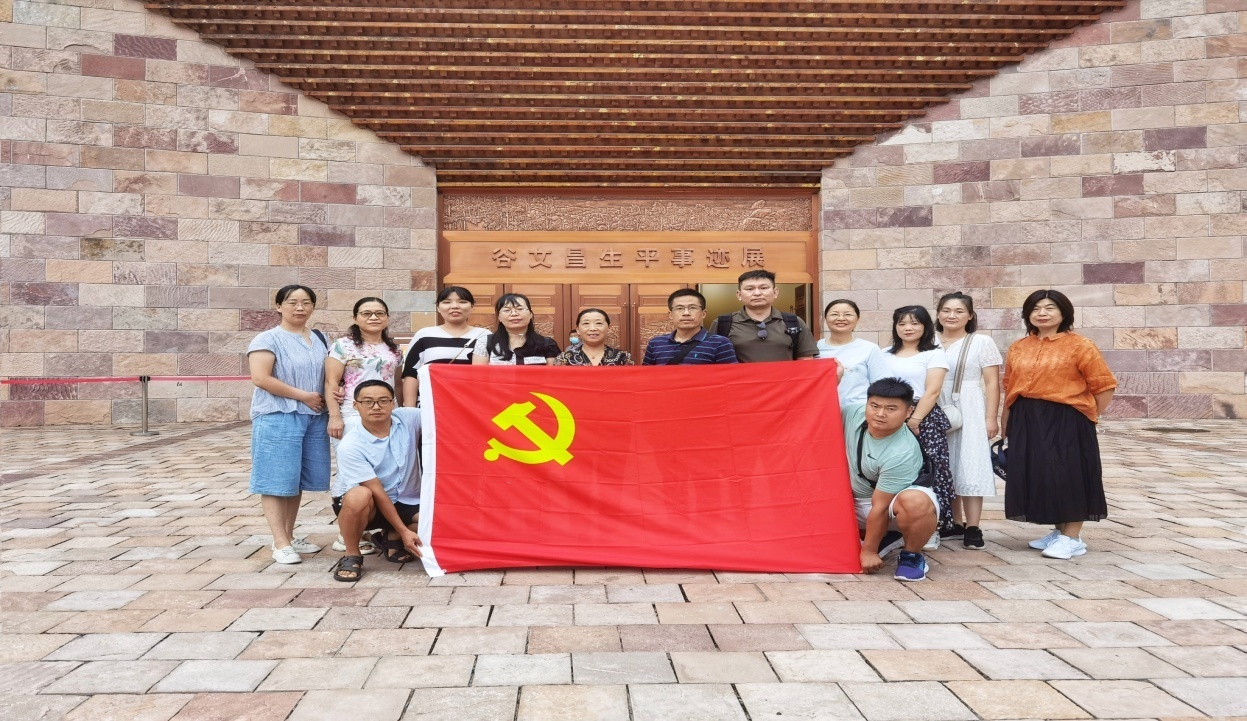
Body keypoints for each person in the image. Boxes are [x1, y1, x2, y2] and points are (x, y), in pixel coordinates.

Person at [1002, 289, 1116, 560]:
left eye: (1049, 308)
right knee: (1042, 474)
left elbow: (1104, 386)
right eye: (1035, 309)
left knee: (1069, 474)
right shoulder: (1019, 346)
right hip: (1026, 417)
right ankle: (1059, 531)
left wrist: (1086, 416)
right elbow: (1010, 387)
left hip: (1067, 418)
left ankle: (1072, 537)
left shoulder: (1080, 345)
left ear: (1064, 312)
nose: (1042, 313)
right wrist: (1006, 424)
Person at [247, 285, 330, 565]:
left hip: (314, 417)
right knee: (275, 479)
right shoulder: (268, 338)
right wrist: (303, 396)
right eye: (292, 302)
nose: (300, 307)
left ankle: (289, 536)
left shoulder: (320, 338)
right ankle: (280, 542)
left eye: (306, 302)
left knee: (296, 479)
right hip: (278, 415)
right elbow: (261, 378)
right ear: (279, 306)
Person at [843, 378, 939, 582]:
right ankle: (883, 539)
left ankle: (911, 555)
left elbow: (880, 506)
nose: (880, 414)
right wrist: (836, 378)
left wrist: (869, 551)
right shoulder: (852, 413)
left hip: (887, 508)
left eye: (891, 409)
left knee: (915, 502)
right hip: (846, 503)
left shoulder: (903, 451)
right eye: (874, 406)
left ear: (908, 412)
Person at [876, 305, 955, 547]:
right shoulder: (884, 353)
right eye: (902, 323)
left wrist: (914, 420)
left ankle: (931, 528)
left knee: (930, 469)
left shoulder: (933, 354)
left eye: (914, 323)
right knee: (893, 467)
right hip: (889, 415)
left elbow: (932, 391)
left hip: (922, 417)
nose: (907, 328)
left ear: (925, 326)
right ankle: (893, 526)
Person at [329, 380, 423, 582]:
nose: (376, 407)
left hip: (407, 499)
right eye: (368, 402)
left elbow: (444, 414)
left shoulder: (408, 417)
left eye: (383, 401)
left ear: (393, 403)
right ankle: (352, 554)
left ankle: (391, 537)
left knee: (447, 524)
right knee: (359, 495)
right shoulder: (351, 445)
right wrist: (405, 531)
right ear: (356, 405)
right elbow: (378, 493)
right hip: (371, 505)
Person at [936, 292, 1003, 550]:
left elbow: (992, 383)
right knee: (946, 462)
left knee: (970, 462)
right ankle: (954, 522)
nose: (951, 316)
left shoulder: (981, 342)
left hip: (970, 404)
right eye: (946, 310)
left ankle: (973, 527)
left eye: (959, 311)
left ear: (970, 315)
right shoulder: (929, 340)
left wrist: (990, 417)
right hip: (935, 403)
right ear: (938, 314)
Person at [401, 286, 489, 405]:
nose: (454, 306)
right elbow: (411, 374)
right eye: (447, 302)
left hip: (471, 405)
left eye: (462, 302)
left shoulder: (484, 336)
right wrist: (410, 409)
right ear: (438, 307)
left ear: (472, 307)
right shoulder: (424, 335)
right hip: (431, 404)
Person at [715, 270, 818, 362]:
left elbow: (806, 361)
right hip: (739, 378)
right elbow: (711, 361)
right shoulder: (722, 324)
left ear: (775, 292)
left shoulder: (794, 322)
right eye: (749, 289)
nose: (757, 293)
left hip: (785, 378)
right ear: (739, 295)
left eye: (763, 288)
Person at [642, 289, 738, 365]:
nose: (686, 313)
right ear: (671, 314)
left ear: (703, 313)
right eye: (679, 308)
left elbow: (730, 377)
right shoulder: (655, 343)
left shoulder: (720, 343)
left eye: (692, 308)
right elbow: (647, 377)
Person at [817, 298, 885, 405]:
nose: (841, 318)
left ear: (858, 319)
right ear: (825, 318)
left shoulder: (869, 348)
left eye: (847, 314)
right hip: (823, 408)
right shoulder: (815, 348)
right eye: (834, 314)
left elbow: (881, 384)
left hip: (858, 410)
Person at [472, 293, 561, 366]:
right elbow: (479, 376)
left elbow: (552, 375)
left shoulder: (547, 344)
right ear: (499, 317)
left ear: (530, 314)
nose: (514, 314)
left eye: (520, 309)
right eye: (507, 310)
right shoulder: (485, 342)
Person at [553, 308, 634, 366]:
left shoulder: (623, 356)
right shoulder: (564, 358)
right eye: (586, 323)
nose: (592, 328)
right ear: (578, 329)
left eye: (598, 323)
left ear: (609, 328)